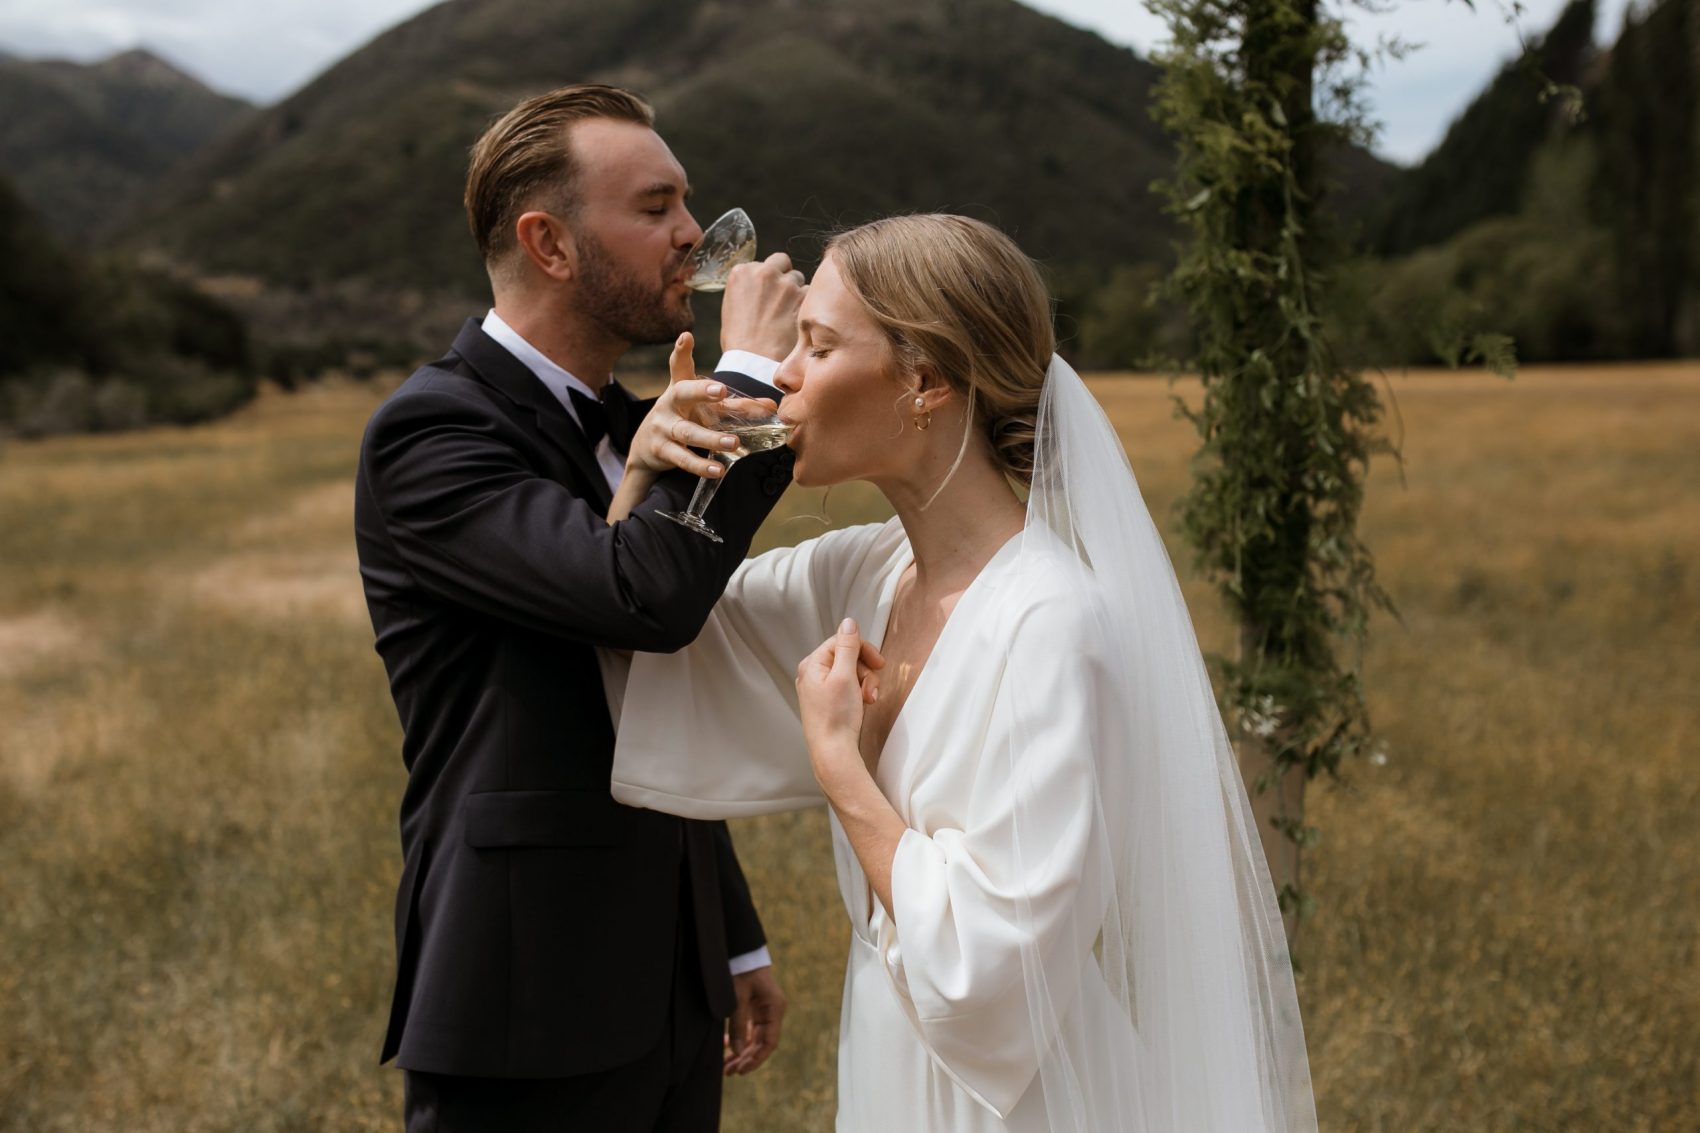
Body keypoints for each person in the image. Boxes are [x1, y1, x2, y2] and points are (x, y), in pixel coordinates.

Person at [610, 214, 1319, 1131]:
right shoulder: (863, 573)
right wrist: (645, 464)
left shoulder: (1051, 623)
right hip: (890, 1063)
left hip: (1013, 1097)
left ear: (926, 381)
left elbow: (994, 969)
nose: (784, 371)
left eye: (816, 347)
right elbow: (646, 637)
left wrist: (842, 769)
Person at [354, 83, 800, 1132]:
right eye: (654, 208)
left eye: (687, 203)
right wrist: (750, 378)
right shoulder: (430, 433)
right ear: (549, 243)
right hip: (525, 990)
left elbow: (649, 697)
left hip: (673, 984)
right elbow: (641, 597)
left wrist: (727, 932)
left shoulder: (639, 421)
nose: (693, 237)